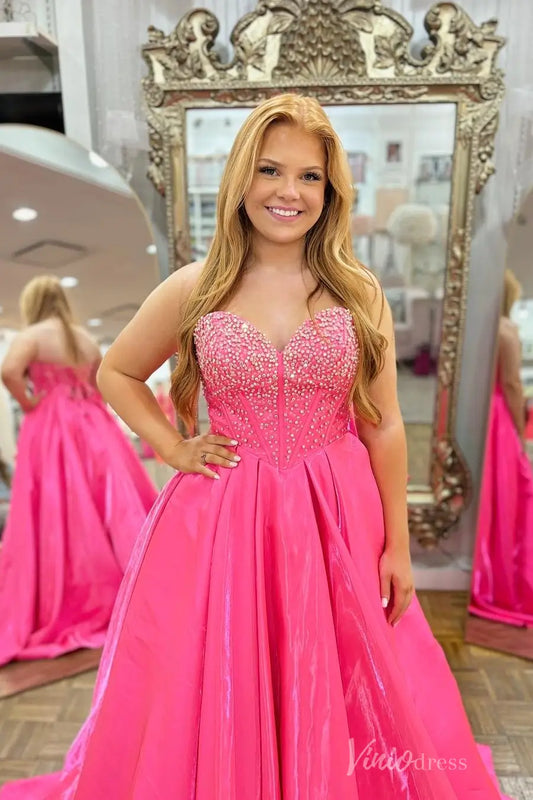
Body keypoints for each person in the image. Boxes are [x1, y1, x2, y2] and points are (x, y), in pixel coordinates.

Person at [0, 96, 510, 799]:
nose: (288, 191)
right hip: (225, 513)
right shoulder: (197, 286)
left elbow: (385, 424)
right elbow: (116, 372)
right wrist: (172, 447)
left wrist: (398, 544)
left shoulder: (357, 291)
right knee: (222, 665)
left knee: (343, 666)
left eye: (309, 176)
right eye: (270, 170)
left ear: (330, 190)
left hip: (335, 511)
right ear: (242, 176)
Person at [0, 276, 157, 665]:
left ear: (32, 302)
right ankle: (134, 586)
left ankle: (69, 587)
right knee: (108, 502)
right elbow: (102, 381)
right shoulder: (84, 338)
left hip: (53, 424)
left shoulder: (32, 335)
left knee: (60, 504)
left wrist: (29, 401)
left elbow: (9, 370)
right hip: (93, 422)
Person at [469, 269, 533, 627]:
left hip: (479, 416)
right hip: (500, 419)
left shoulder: (478, 329)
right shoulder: (507, 330)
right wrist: (521, 432)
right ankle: (502, 578)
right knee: (508, 496)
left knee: (487, 499)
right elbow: (511, 384)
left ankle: (485, 574)